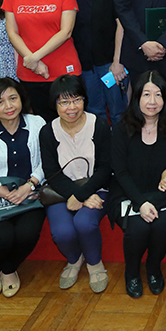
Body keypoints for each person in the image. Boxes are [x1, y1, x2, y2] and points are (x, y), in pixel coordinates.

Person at [0, 78, 47, 297]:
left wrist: (29, 185)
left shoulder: (37, 123)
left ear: (22, 98)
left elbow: (47, 161)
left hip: (30, 192)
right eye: (0, 101)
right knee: (1, 238)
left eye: (13, 98)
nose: (9, 106)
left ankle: (9, 268)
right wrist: (6, 193)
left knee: (27, 235)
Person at [110, 72, 166, 297]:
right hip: (128, 193)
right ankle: (132, 272)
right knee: (139, 227)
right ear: (137, 97)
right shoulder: (121, 128)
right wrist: (141, 203)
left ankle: (153, 268)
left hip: (161, 192)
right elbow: (120, 172)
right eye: (146, 94)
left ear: (165, 98)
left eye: (158, 95)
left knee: (163, 224)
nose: (152, 101)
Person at [39, 76, 111, 293]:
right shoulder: (47, 132)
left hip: (97, 188)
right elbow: (51, 173)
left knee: (84, 223)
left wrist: (82, 195)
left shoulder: (99, 125)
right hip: (61, 191)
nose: (71, 108)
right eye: (64, 102)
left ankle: (95, 264)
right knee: (62, 232)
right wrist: (77, 195)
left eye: (76, 100)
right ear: (55, 104)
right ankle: (74, 259)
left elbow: (106, 168)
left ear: (84, 100)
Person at [3, 0, 80, 122]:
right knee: (40, 124)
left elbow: (66, 32)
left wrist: (34, 58)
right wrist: (33, 61)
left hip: (63, 70)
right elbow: (12, 33)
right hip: (30, 72)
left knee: (70, 121)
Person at [67, 0, 126, 122]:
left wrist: (117, 61)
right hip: (83, 64)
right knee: (93, 112)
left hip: (109, 63)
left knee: (117, 111)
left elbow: (121, 25)